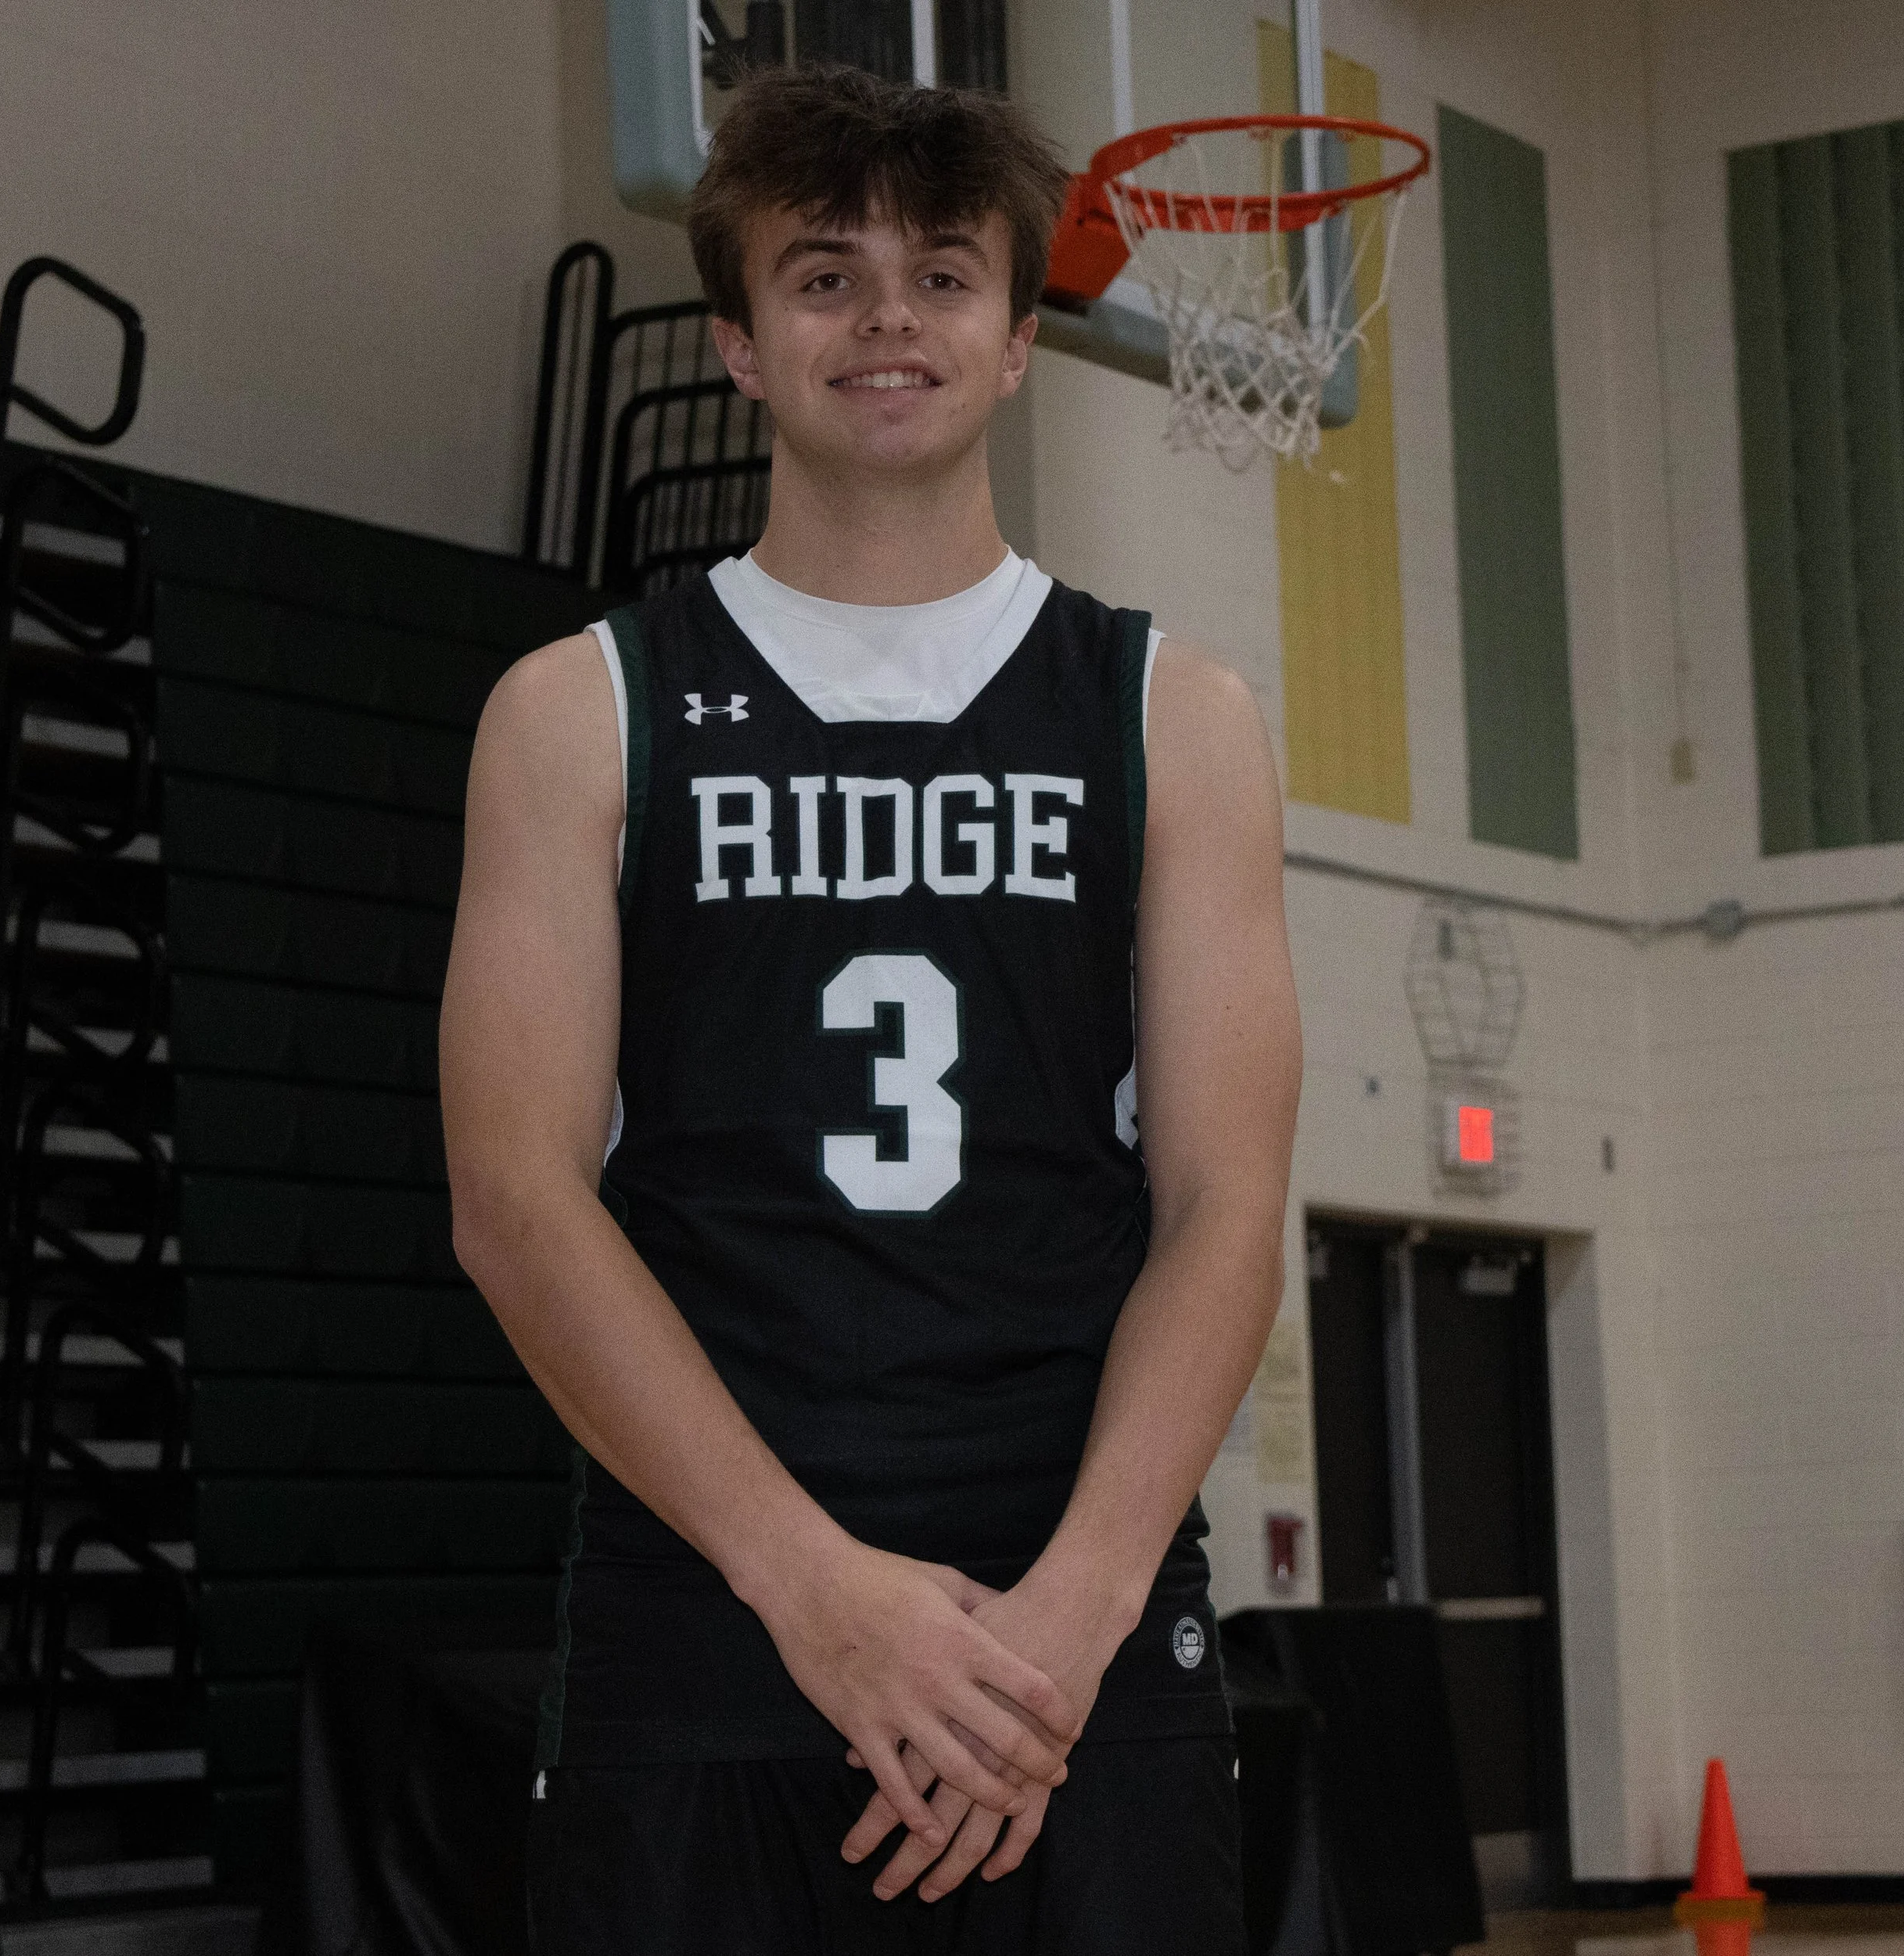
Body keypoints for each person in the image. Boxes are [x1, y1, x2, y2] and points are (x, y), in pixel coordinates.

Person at [440, 61, 1301, 1955]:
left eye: (942, 273)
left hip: (1063, 1628)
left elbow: (1226, 1202)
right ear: (737, 341)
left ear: (1014, 341)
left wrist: (1066, 1617)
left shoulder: (1175, 717)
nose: (887, 317)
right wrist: (811, 1587)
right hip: (710, 1604)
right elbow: (513, 1196)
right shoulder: (582, 708)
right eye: (823, 276)